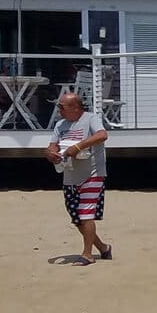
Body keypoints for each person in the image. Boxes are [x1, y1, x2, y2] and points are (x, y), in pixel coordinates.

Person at [46, 91, 112, 264]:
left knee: (85, 214)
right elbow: (51, 146)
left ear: (75, 107)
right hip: (69, 174)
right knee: (77, 218)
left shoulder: (90, 119)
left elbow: (102, 135)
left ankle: (87, 254)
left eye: (62, 106)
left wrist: (77, 147)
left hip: (92, 173)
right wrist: (51, 154)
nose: (59, 110)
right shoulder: (60, 124)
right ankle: (103, 248)